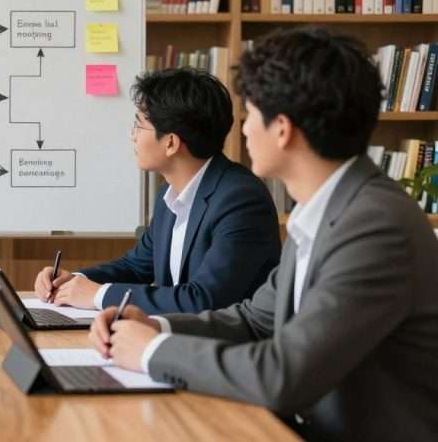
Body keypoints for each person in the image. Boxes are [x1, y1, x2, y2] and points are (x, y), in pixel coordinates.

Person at [93, 27, 438, 441]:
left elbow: (283, 375)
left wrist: (149, 352)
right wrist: (155, 326)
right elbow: (254, 320)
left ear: (283, 129)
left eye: (252, 114)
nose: (243, 130)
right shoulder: (325, 209)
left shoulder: (375, 226)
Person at [35, 67, 280, 314]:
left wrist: (98, 294)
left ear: (171, 142)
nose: (132, 136)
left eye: (139, 126)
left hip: (225, 348)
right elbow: (136, 266)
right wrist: (73, 281)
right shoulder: (170, 195)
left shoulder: (240, 199)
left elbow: (204, 299)